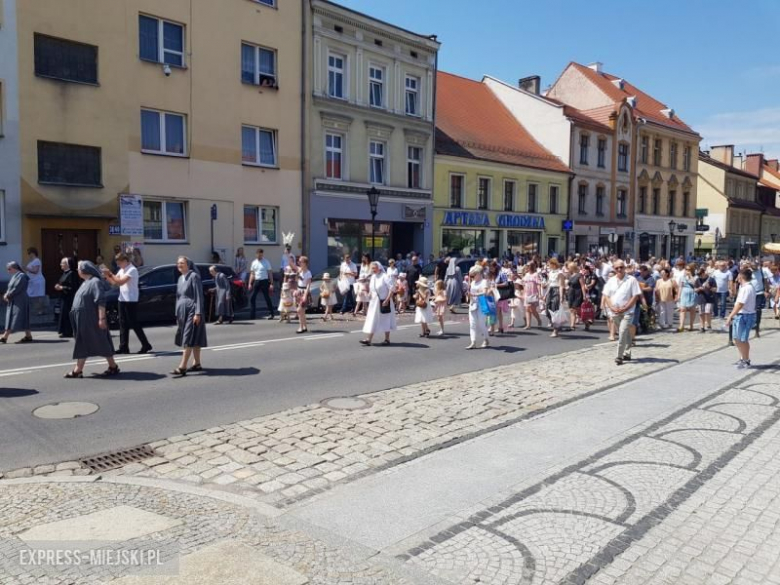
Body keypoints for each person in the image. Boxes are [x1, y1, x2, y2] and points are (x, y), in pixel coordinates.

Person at [64, 261, 119, 378]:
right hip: (83, 319)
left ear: (84, 270)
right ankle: (80, 369)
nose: (77, 270)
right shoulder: (85, 282)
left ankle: (111, 366)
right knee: (85, 342)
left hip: (91, 318)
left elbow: (101, 301)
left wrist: (102, 318)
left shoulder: (95, 282)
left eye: (79, 268)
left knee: (100, 341)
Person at [104, 253, 152, 354]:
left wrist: (111, 274)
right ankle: (123, 346)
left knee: (134, 323)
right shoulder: (122, 270)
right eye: (117, 263)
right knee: (122, 324)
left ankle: (146, 344)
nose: (118, 265)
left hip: (131, 300)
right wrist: (107, 276)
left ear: (125, 261)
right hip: (122, 299)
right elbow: (114, 283)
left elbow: (121, 281)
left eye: (119, 263)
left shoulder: (132, 270)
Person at [171, 256, 207, 377]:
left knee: (188, 337)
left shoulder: (193, 276)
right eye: (178, 263)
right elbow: (178, 297)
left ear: (188, 264)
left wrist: (198, 313)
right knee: (195, 337)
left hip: (192, 309)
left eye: (182, 263)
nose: (179, 265)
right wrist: (177, 313)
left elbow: (198, 295)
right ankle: (197, 363)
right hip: (182, 311)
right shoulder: (180, 278)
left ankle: (182, 366)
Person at [602, 260, 641, 365]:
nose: (619, 269)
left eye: (621, 267)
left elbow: (635, 296)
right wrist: (611, 307)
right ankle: (627, 353)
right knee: (624, 333)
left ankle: (619, 356)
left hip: (627, 311)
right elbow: (606, 295)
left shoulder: (631, 280)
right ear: (614, 269)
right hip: (614, 311)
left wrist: (626, 307)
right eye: (617, 268)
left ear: (624, 268)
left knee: (623, 331)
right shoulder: (611, 281)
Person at [726, 267, 757, 369]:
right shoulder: (743, 287)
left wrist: (730, 316)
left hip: (745, 315)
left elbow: (740, 304)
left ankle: (746, 360)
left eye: (738, 275)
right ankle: (742, 358)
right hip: (742, 315)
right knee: (737, 338)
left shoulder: (747, 288)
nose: (737, 277)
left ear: (741, 276)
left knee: (742, 339)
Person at [360, 261, 396, 346]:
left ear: (379, 268)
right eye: (371, 268)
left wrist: (387, 300)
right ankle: (369, 339)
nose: (372, 270)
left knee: (385, 319)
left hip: (384, 302)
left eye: (374, 268)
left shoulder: (385, 276)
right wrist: (367, 294)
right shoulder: (373, 277)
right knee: (372, 319)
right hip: (374, 303)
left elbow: (392, 289)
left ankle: (387, 339)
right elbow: (372, 290)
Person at [1, 262, 32, 344]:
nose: (8, 271)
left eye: (9, 269)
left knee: (15, 317)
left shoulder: (21, 276)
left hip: (20, 300)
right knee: (19, 317)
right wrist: (6, 294)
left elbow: (17, 288)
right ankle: (28, 335)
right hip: (14, 300)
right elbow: (10, 287)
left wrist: (8, 295)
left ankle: (5, 336)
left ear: (14, 268)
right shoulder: (14, 276)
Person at [54, 257, 80, 338]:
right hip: (63, 298)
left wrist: (62, 288)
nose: (61, 264)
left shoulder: (72, 274)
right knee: (63, 315)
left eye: (63, 263)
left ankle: (69, 331)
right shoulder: (65, 273)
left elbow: (74, 287)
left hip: (69, 298)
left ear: (67, 264)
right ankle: (64, 331)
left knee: (67, 315)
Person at [466, 265, 489, 349]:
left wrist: (474, 294)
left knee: (482, 323)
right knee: (472, 324)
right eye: (472, 275)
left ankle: (486, 339)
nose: (472, 276)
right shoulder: (472, 282)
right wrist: (468, 296)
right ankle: (473, 342)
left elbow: (485, 292)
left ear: (479, 273)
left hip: (481, 304)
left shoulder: (484, 282)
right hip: (472, 304)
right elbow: (470, 293)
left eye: (474, 274)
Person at [248, 249, 275, 320]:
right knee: (252, 298)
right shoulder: (254, 262)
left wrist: (271, 283)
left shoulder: (266, 262)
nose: (260, 256)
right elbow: (252, 274)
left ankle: (271, 313)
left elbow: (270, 273)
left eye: (261, 255)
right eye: (258, 254)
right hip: (257, 281)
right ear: (256, 254)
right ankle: (252, 315)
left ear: (262, 254)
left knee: (267, 297)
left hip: (264, 281)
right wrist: (250, 283)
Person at [544, 258, 566, 338]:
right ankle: (555, 324)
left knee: (554, 310)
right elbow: (549, 284)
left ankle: (555, 330)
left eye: (549, 264)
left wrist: (561, 296)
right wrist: (545, 294)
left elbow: (561, 285)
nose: (548, 266)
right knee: (547, 310)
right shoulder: (550, 273)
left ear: (553, 264)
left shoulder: (559, 273)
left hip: (556, 291)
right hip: (550, 290)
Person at [25, 247, 46, 316]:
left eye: (29, 253)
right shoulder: (32, 261)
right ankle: (38, 310)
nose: (28, 255)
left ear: (33, 253)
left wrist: (26, 268)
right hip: (33, 282)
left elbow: (35, 271)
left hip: (38, 281)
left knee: (39, 296)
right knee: (35, 296)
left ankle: (40, 311)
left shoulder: (37, 260)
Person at [694, 266, 716, 332]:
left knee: (708, 312)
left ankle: (709, 325)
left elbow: (715, 289)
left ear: (704, 273)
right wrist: (699, 289)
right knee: (701, 313)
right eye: (699, 275)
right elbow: (695, 289)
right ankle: (702, 327)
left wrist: (709, 287)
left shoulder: (711, 279)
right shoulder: (698, 280)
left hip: (709, 298)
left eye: (701, 274)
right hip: (701, 298)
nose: (700, 276)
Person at [676, 264, 698, 332]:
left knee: (692, 310)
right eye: (686, 269)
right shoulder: (682, 277)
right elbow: (680, 287)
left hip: (692, 294)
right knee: (682, 310)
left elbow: (694, 284)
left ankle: (691, 325)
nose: (687, 271)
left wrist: (690, 276)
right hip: (684, 294)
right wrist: (678, 296)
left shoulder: (696, 277)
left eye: (689, 270)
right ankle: (681, 326)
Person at [522, 261, 543, 329]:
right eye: (527, 266)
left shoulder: (535, 274)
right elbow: (524, 284)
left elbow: (538, 284)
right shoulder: (526, 274)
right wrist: (523, 293)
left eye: (529, 266)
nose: (527, 267)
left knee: (532, 309)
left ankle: (538, 319)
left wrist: (539, 293)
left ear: (532, 266)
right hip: (527, 293)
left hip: (533, 293)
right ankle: (528, 325)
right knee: (527, 309)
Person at [295, 256, 312, 334]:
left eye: (300, 261)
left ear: (305, 263)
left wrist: (305, 295)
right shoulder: (300, 271)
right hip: (299, 291)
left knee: (299, 310)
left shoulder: (308, 273)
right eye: (299, 261)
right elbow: (297, 281)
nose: (299, 262)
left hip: (304, 291)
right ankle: (305, 327)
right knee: (302, 312)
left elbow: (308, 285)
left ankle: (300, 327)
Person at [566, 261, 585, 331]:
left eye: (569, 268)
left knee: (576, 310)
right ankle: (573, 325)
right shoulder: (571, 276)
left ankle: (584, 322)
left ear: (572, 268)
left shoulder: (579, 275)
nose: (568, 269)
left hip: (577, 294)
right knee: (571, 309)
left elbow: (583, 286)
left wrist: (584, 296)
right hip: (571, 294)